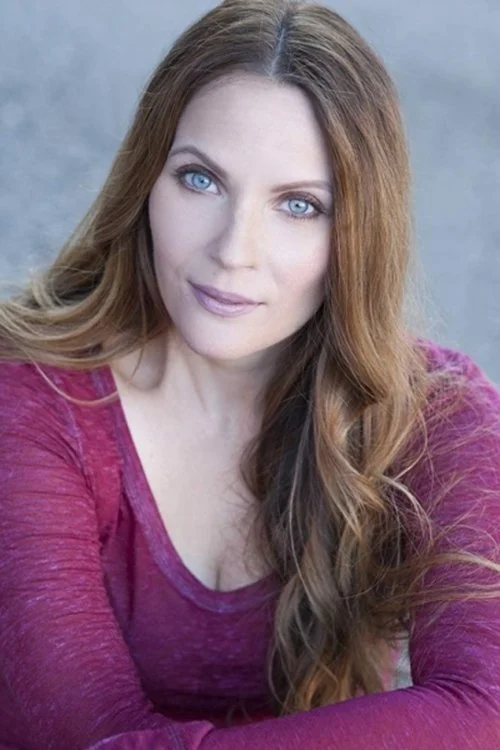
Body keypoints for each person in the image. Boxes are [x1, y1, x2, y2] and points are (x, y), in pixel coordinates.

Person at [0, 0, 499, 747]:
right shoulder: (30, 398)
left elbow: (487, 707)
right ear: (145, 181)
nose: (234, 250)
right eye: (200, 180)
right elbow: (84, 734)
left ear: (359, 232)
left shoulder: (436, 415)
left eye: (299, 205)